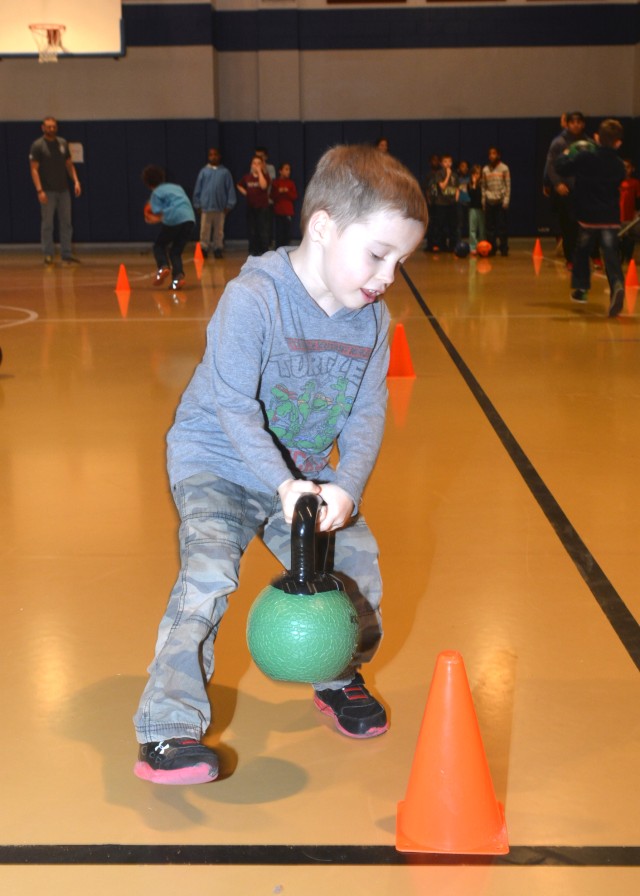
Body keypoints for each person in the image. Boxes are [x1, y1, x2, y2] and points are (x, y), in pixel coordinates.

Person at [132, 144, 428, 785]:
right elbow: (234, 407)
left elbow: (368, 411)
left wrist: (345, 486)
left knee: (357, 563)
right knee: (207, 577)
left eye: (400, 261)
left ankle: (337, 677)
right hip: (217, 461)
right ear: (323, 226)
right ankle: (167, 728)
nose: (387, 277)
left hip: (306, 478)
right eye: (378, 254)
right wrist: (284, 483)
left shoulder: (372, 319)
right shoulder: (255, 299)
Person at [555, 119, 626, 317]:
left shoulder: (586, 157)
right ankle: (617, 285)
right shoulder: (619, 165)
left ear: (597, 137)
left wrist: (568, 153)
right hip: (611, 217)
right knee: (610, 254)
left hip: (588, 216)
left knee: (582, 251)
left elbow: (561, 167)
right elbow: (619, 180)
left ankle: (581, 289)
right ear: (618, 143)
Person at [29, 117, 82, 265]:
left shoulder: (63, 143)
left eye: (54, 127)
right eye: (48, 127)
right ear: (43, 128)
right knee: (47, 224)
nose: (51, 129)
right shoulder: (37, 145)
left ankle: (66, 254)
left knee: (66, 223)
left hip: (63, 190)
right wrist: (40, 190)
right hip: (47, 191)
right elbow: (34, 169)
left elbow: (69, 165)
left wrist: (76, 181)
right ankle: (48, 254)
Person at [543, 112, 590, 268]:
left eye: (579, 122)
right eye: (573, 122)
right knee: (568, 225)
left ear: (583, 124)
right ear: (568, 124)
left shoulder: (588, 143)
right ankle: (570, 258)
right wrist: (557, 183)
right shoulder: (559, 142)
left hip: (584, 190)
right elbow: (550, 165)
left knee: (583, 226)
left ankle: (584, 256)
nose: (576, 125)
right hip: (566, 190)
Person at [142, 165, 196, 290]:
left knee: (159, 246)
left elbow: (157, 212)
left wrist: (151, 218)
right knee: (175, 251)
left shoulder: (155, 193)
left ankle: (163, 267)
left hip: (175, 219)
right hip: (189, 219)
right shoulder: (176, 187)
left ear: (147, 183)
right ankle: (178, 278)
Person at [192, 147, 236, 259]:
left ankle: (218, 248)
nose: (213, 157)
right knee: (204, 231)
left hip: (220, 208)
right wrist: (197, 204)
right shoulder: (204, 171)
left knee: (219, 231)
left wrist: (229, 205)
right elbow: (198, 188)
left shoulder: (225, 172)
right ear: (208, 157)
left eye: (215, 154)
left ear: (219, 156)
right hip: (206, 207)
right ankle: (204, 248)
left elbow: (230, 189)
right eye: (211, 155)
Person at [237, 155, 272, 256]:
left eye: (258, 163)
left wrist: (260, 172)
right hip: (251, 207)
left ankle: (264, 250)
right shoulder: (247, 177)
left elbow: (263, 186)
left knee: (263, 230)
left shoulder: (265, 176)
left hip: (262, 208)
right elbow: (239, 185)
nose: (256, 165)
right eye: (254, 163)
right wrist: (246, 192)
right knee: (252, 230)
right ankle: (253, 250)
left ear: (262, 165)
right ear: (251, 165)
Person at [482, 146, 511, 256]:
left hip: (500, 201)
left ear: (498, 155)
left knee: (502, 227)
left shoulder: (504, 168)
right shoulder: (485, 169)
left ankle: (503, 248)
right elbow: (483, 187)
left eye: (494, 154)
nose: (491, 156)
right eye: (490, 154)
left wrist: (506, 200)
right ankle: (491, 248)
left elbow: (508, 185)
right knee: (490, 228)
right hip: (490, 201)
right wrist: (484, 201)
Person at [432, 154, 459, 252]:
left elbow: (457, 187)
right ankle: (440, 245)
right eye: (445, 161)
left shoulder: (455, 175)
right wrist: (447, 175)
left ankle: (452, 246)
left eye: (449, 161)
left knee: (453, 226)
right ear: (441, 163)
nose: (447, 164)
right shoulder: (439, 173)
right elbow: (442, 187)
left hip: (451, 204)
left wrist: (456, 198)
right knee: (441, 225)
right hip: (441, 203)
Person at [271, 161, 298, 249]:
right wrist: (279, 192)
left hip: (288, 212)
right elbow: (272, 196)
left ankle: (286, 249)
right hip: (278, 211)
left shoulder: (291, 183)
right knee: (279, 232)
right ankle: (278, 250)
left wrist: (286, 191)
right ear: (280, 171)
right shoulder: (275, 183)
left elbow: (294, 196)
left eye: (289, 170)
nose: (288, 172)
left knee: (287, 233)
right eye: (286, 169)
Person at [619, 158, 640, 264]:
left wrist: (637, 212)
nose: (625, 169)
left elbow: (638, 199)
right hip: (616, 216)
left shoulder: (635, 183)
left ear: (632, 169)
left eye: (627, 167)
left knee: (629, 237)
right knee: (618, 238)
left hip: (629, 216)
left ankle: (628, 258)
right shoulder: (615, 181)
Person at [467, 164, 485, 254]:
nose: (476, 175)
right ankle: (473, 246)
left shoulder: (483, 184)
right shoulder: (469, 185)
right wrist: (474, 184)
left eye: (478, 173)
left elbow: (480, 195)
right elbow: (472, 196)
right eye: (474, 173)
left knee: (482, 229)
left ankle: (482, 245)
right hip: (473, 208)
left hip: (481, 208)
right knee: (472, 229)